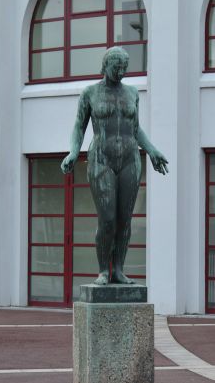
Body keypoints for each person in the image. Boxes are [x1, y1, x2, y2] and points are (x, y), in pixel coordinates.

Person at [62, 47, 168, 286]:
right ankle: (103, 270)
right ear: (105, 65)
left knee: (125, 219)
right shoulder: (90, 93)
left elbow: (136, 128)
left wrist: (152, 150)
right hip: (102, 159)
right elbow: (79, 126)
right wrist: (72, 152)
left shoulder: (132, 93)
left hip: (130, 157)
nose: (120, 72)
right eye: (116, 67)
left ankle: (118, 269)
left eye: (124, 68)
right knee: (107, 219)